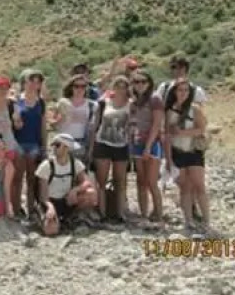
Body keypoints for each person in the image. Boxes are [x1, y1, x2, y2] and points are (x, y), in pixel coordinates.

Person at [164, 78, 210, 231]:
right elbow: (167, 136)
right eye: (180, 90)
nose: (183, 93)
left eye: (186, 90)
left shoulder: (194, 109)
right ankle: (188, 220)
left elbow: (201, 129)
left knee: (199, 185)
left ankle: (206, 220)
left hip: (193, 151)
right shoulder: (169, 112)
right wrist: (168, 159)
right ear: (174, 92)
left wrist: (182, 132)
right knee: (185, 187)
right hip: (177, 151)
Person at [35, 134, 98, 236]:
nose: (54, 148)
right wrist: (50, 208)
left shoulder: (75, 163)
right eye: (54, 145)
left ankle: (73, 218)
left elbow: (87, 182)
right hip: (49, 202)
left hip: (67, 200)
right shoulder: (46, 165)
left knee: (91, 193)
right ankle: (52, 220)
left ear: (66, 148)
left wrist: (75, 190)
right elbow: (43, 196)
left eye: (57, 145)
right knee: (50, 231)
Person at [89, 76, 132, 223]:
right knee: (101, 181)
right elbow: (95, 125)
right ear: (113, 87)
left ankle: (120, 213)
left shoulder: (131, 104)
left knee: (120, 181)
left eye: (124, 86)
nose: (120, 89)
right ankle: (102, 213)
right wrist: (91, 148)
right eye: (117, 85)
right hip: (102, 143)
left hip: (122, 145)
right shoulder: (103, 103)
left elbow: (132, 126)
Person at [130, 70, 164, 223]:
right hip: (138, 142)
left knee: (151, 181)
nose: (140, 85)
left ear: (149, 83)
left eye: (143, 81)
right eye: (136, 82)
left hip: (152, 143)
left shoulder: (155, 99)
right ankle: (143, 214)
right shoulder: (135, 101)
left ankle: (158, 214)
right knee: (140, 181)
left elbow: (156, 124)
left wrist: (148, 146)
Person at [13, 69, 47, 217]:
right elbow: (12, 122)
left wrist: (44, 146)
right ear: (24, 82)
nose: (34, 84)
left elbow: (43, 126)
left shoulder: (41, 103)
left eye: (38, 82)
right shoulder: (16, 101)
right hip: (18, 144)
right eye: (31, 81)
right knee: (17, 179)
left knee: (32, 179)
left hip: (34, 144)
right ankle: (16, 210)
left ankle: (31, 210)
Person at [50, 75, 96, 162]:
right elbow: (52, 124)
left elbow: (93, 130)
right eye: (76, 86)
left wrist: (91, 149)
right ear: (71, 87)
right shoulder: (62, 102)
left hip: (81, 143)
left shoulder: (92, 105)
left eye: (83, 86)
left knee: (78, 169)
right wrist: (62, 119)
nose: (80, 89)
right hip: (62, 142)